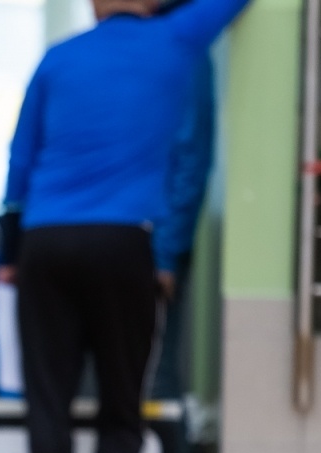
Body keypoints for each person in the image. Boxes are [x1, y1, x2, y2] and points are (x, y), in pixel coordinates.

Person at [0, 0, 249, 453]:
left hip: (47, 241)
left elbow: (19, 160)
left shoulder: (57, 59)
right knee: (121, 405)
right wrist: (165, 259)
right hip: (125, 243)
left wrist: (10, 253)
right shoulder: (178, 38)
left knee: (49, 405)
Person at [150, 56, 216, 402]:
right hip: (128, 241)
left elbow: (189, 160)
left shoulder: (180, 52)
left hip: (150, 245)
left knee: (152, 377)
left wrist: (165, 254)